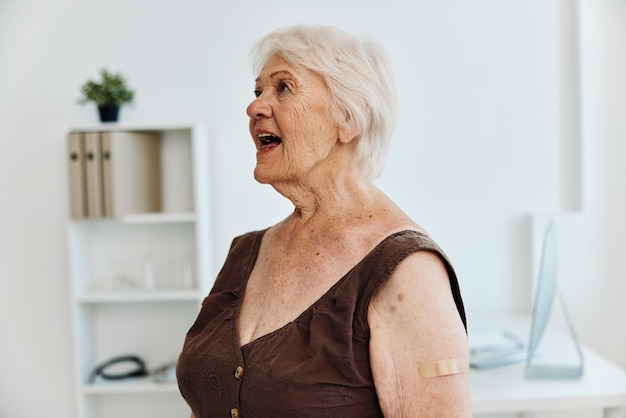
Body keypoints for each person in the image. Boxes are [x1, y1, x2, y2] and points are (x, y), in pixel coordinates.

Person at [177, 24, 470, 417]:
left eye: (283, 88)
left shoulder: (408, 273)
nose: (255, 107)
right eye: (257, 91)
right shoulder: (245, 252)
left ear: (349, 119)